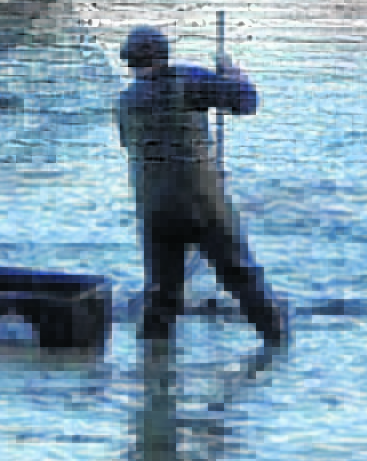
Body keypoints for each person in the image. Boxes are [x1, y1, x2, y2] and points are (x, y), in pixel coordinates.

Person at [113, 25, 287, 347]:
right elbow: (246, 102)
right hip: (202, 203)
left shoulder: (125, 101)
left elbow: (132, 146)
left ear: (130, 62)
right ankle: (276, 343)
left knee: (161, 290)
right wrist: (234, 74)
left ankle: (153, 362)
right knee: (239, 274)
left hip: (153, 208)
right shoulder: (188, 82)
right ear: (163, 55)